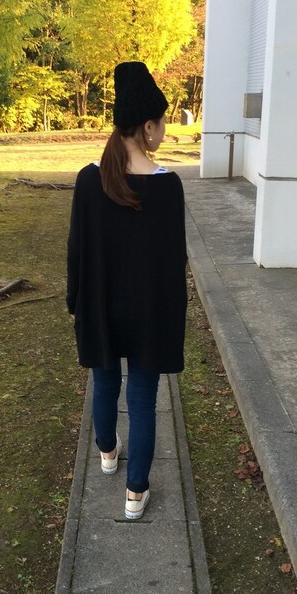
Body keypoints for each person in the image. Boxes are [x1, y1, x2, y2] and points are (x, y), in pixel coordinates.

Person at [66, 61, 187, 520]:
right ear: (148, 126)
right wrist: (174, 317)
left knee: (104, 382)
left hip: (100, 307)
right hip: (149, 312)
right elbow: (174, 263)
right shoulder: (168, 186)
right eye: (163, 122)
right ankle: (136, 492)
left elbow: (76, 248)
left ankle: (107, 453)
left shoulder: (88, 179)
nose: (164, 130)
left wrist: (76, 301)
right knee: (142, 399)